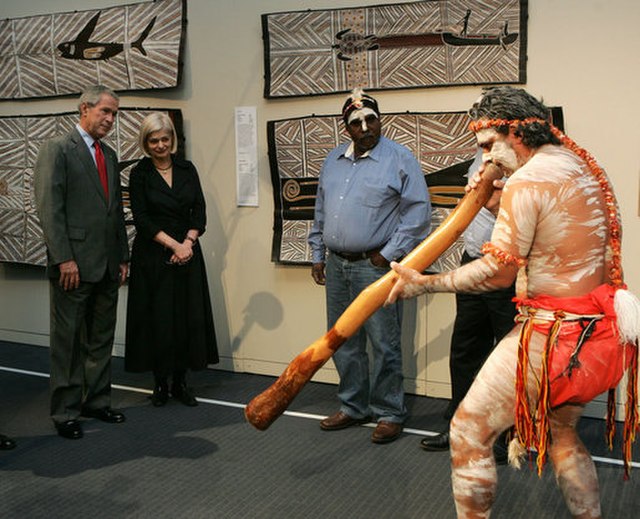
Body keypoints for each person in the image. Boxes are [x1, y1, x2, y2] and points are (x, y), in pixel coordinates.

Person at [387, 86, 639, 517]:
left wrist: (424, 283)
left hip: (551, 339)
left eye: (488, 146)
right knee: (562, 437)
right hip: (598, 334)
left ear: (513, 132)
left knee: (467, 432)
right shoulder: (581, 165)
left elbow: (496, 273)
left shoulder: (526, 180)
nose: (486, 160)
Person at [308, 88, 431, 444]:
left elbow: (418, 212)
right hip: (337, 266)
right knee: (342, 339)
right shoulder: (333, 161)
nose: (366, 127)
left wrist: (390, 252)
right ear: (346, 129)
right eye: (356, 123)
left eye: (371, 119)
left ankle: (389, 412)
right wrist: (318, 253)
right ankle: (353, 406)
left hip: (374, 266)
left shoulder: (400, 159)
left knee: (384, 342)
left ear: (380, 120)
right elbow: (320, 210)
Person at [34, 85, 130, 440]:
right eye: (105, 111)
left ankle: (97, 401)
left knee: (101, 338)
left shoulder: (110, 155)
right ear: (84, 109)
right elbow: (49, 208)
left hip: (107, 264)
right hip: (72, 266)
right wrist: (64, 259)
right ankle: (65, 411)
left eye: (114, 114)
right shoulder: (57, 149)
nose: (110, 119)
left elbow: (116, 211)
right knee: (68, 342)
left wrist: (123, 256)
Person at [420, 149, 516, 463]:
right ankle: (459, 428)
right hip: (472, 261)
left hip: (506, 268)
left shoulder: (526, 159)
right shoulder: (481, 155)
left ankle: (505, 438)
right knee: (465, 349)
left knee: (505, 357)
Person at [124, 112, 218, 407]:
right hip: (153, 256)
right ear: (146, 142)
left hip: (188, 253)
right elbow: (142, 219)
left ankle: (181, 381)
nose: (161, 145)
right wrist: (174, 245)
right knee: (158, 319)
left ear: (172, 139)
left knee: (185, 317)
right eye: (154, 140)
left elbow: (199, 211)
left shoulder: (187, 168)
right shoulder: (139, 173)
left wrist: (187, 243)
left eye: (165, 139)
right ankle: (160, 383)